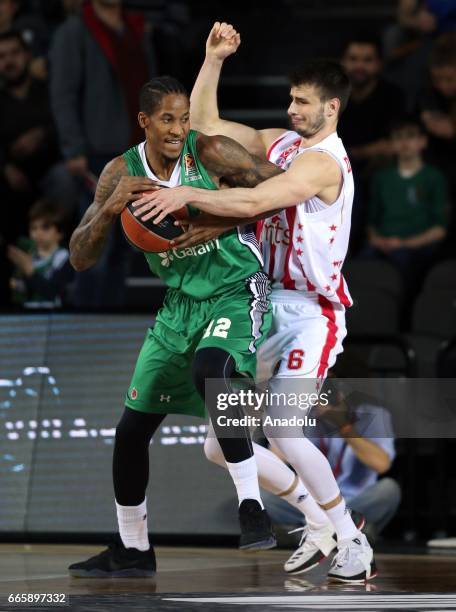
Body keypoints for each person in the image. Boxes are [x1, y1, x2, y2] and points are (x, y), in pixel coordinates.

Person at [133, 23, 376, 583]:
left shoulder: (324, 163)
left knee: (286, 430)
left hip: (310, 314)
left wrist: (192, 193)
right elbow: (208, 127)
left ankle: (351, 539)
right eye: (290, 99)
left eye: (303, 102)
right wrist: (213, 59)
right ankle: (318, 521)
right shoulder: (286, 143)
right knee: (220, 447)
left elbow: (263, 197)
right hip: (263, 303)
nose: (292, 109)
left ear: (332, 108)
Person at [67, 75, 288, 578]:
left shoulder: (208, 151)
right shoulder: (119, 172)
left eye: (183, 117)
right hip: (179, 304)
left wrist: (222, 220)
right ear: (144, 121)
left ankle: (252, 511)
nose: (178, 128)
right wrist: (110, 206)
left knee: (213, 369)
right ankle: (133, 549)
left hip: (235, 285)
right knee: (131, 430)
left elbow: (283, 189)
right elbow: (80, 256)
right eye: (167, 119)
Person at [49, 0, 156, 308]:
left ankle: (111, 314)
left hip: (136, 148)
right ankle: (87, 316)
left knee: (126, 242)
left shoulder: (135, 26)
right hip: (97, 151)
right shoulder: (75, 32)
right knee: (97, 237)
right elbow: (63, 94)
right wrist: (73, 147)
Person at [261, 352, 401, 549]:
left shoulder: (376, 414)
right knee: (264, 492)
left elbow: (381, 464)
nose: (334, 394)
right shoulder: (302, 412)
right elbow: (274, 461)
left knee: (388, 490)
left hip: (355, 501)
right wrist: (294, 415)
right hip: (309, 502)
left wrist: (344, 427)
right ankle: (349, 532)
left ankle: (310, 533)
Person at [339, 35, 407, 252]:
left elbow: (396, 143)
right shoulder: (332, 95)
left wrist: (359, 153)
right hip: (338, 168)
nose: (359, 65)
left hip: (382, 167)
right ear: (343, 62)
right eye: (353, 59)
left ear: (378, 64)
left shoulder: (393, 95)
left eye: (367, 60)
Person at [365, 118, 448, 296]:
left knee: (402, 267)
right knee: (361, 267)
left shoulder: (434, 177)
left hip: (416, 248)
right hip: (382, 246)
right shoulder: (381, 178)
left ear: (423, 141)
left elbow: (440, 228)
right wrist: (377, 240)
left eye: (410, 136)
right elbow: (372, 220)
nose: (404, 143)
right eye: (398, 137)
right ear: (392, 144)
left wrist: (403, 243)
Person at [7, 198, 73, 308]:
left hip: (55, 318)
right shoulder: (27, 255)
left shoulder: (64, 258)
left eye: (45, 228)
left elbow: (53, 292)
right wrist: (17, 277)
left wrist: (30, 272)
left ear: (60, 232)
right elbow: (17, 294)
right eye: (34, 228)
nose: (38, 233)